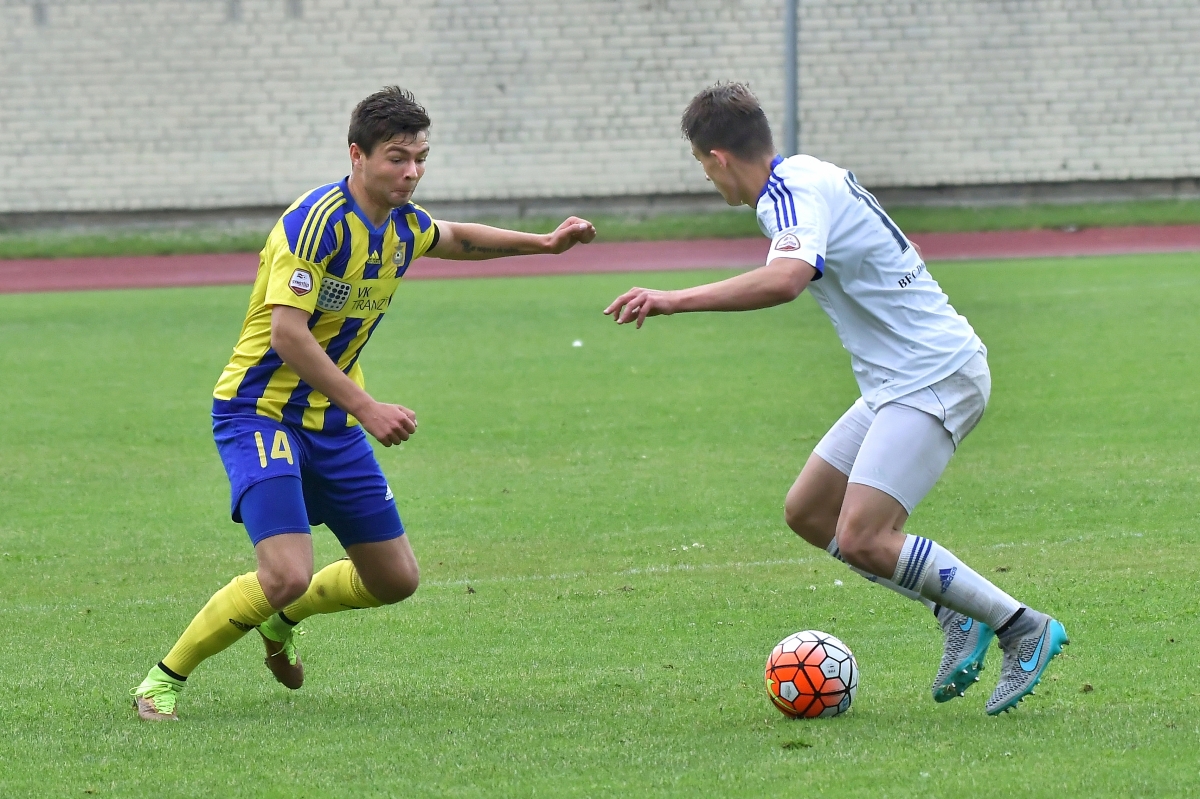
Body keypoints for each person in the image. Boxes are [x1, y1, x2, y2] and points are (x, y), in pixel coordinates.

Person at [132, 86, 596, 721]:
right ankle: (162, 681)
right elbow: (288, 335)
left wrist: (544, 243)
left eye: (420, 159)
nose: (411, 172)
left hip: (329, 420)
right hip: (258, 412)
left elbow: (456, 237)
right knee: (286, 572)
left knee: (395, 580)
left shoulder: (403, 225)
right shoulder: (315, 224)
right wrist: (369, 407)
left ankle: (282, 620)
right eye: (397, 158)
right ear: (357, 155)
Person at [603, 82, 1067, 715]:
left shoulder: (788, 194)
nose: (707, 179)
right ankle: (956, 613)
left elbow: (786, 280)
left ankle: (1022, 626)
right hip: (894, 380)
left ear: (717, 157)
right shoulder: (806, 174)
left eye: (701, 165)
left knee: (864, 536)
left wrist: (671, 298)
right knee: (810, 512)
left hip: (932, 374)